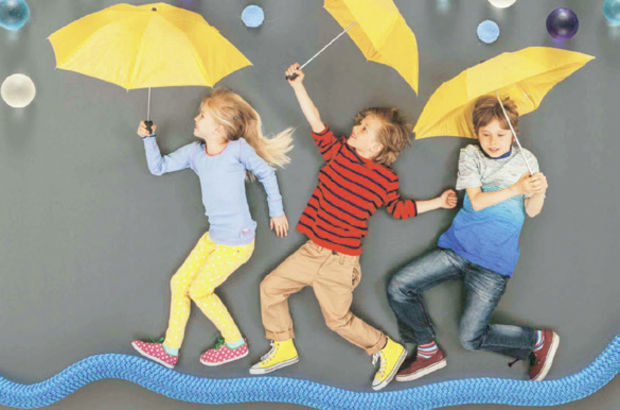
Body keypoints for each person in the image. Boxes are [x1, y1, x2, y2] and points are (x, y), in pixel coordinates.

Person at [250, 63, 457, 391]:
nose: (355, 128)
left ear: (376, 148)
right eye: (359, 124)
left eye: (364, 129)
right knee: (270, 287)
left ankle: (386, 348)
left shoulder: (386, 180)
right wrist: (298, 86)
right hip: (312, 251)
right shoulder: (337, 153)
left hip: (341, 262)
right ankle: (283, 344)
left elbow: (401, 209)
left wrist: (438, 202)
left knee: (336, 320)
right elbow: (315, 121)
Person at [387, 95, 557, 383]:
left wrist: (539, 192)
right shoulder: (471, 155)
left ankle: (537, 340)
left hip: (493, 264)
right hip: (458, 249)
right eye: (485, 134)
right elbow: (476, 201)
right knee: (399, 286)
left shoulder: (527, 160)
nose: (493, 141)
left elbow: (531, 210)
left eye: (501, 134)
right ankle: (428, 350)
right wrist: (516, 188)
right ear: (476, 133)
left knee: (470, 339)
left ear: (513, 133)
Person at [131, 89, 293, 369]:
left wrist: (276, 211)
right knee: (178, 283)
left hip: (237, 243)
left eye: (202, 115)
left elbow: (266, 172)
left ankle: (235, 343)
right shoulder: (195, 153)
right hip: (214, 238)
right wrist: (149, 139)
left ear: (219, 128)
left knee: (198, 291)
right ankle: (169, 349)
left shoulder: (237, 150)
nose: (195, 118)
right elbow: (159, 167)